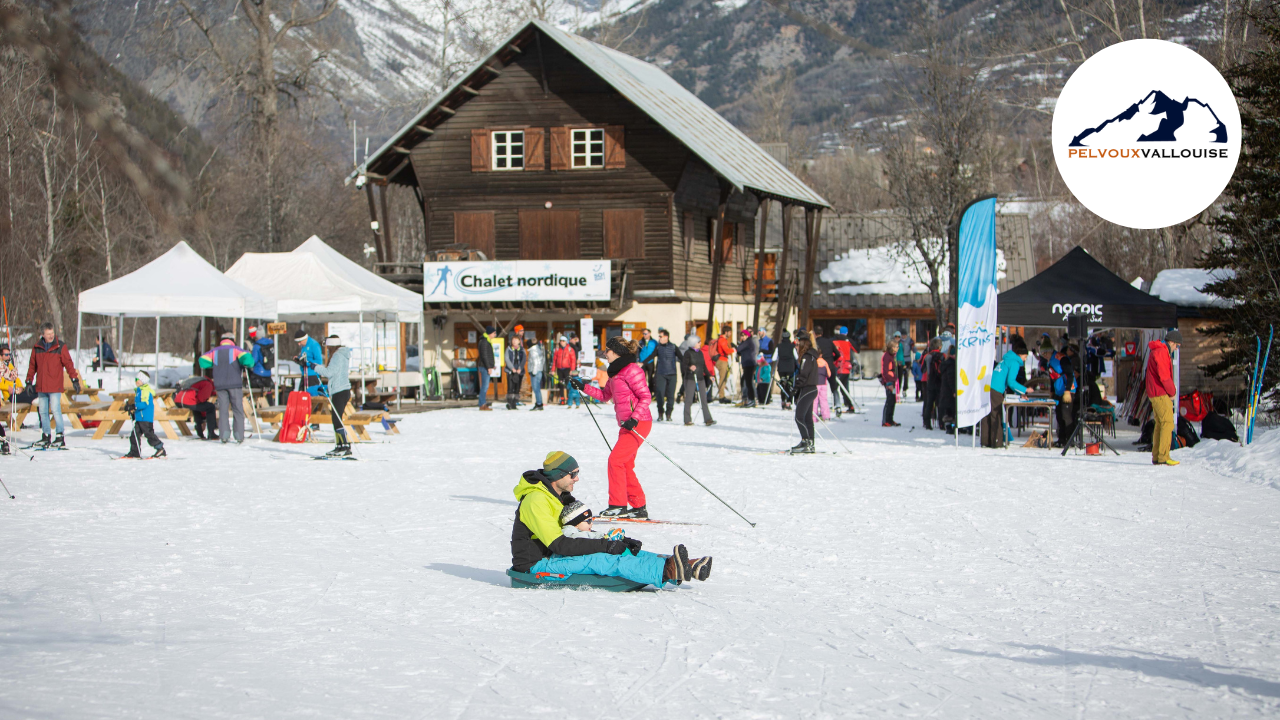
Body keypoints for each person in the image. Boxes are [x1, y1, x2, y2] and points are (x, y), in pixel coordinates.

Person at [510, 451, 711, 587]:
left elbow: (581, 530)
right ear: (558, 475)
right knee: (602, 559)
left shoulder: (558, 495)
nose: (577, 479)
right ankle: (668, 571)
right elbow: (560, 545)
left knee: (621, 550)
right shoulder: (536, 500)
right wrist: (605, 546)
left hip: (555, 555)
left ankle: (678, 565)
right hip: (538, 564)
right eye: (573, 474)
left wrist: (617, 542)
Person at [572, 336, 653, 518]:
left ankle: (617, 504)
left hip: (639, 423)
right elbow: (605, 395)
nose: (605, 355)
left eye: (607, 351)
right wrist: (583, 387)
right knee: (624, 463)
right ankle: (639, 507)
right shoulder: (615, 372)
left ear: (616, 352)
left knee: (615, 461)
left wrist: (634, 418)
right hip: (627, 424)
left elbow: (645, 397)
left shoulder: (632, 370)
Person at [25, 322, 80, 449]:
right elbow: (32, 366)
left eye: (52, 333)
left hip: (54, 385)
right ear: (42, 334)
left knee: (55, 410)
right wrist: (29, 381)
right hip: (41, 385)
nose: (51, 336)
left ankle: (60, 435)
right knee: (43, 411)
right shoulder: (37, 347)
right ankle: (46, 435)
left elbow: (68, 363)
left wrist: (74, 379)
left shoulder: (60, 346)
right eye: (48, 334)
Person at [199, 331, 255, 444]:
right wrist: (244, 363)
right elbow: (249, 360)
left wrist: (214, 364)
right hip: (235, 384)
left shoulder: (214, 351)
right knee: (237, 409)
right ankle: (239, 435)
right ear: (233, 340)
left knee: (223, 410)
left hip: (220, 385)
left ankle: (224, 435)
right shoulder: (236, 350)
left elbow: (202, 361)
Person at [982, 335, 1030, 448]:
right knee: (997, 415)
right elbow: (1011, 382)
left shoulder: (1006, 359)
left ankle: (986, 441)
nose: (1025, 359)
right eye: (1025, 356)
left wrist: (1020, 393)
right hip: (996, 389)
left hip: (988, 387)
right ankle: (997, 442)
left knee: (987, 414)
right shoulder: (1015, 362)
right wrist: (1025, 390)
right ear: (1020, 355)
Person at [1145, 330, 1180, 465]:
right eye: (1176, 345)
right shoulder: (1161, 352)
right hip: (1160, 392)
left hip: (1155, 392)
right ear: (1171, 342)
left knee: (1160, 423)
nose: (1176, 348)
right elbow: (1164, 376)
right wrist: (1172, 392)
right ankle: (1163, 456)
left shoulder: (1158, 350)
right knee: (1168, 423)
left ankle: (1157, 456)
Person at [122, 371, 166, 459]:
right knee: (134, 435)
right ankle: (135, 452)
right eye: (135, 379)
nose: (136, 381)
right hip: (140, 417)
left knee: (149, 434)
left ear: (143, 381)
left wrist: (134, 406)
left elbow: (144, 404)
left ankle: (160, 449)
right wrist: (133, 411)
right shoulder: (139, 391)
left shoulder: (145, 391)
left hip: (145, 418)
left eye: (137, 379)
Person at [790, 330, 820, 454]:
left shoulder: (807, 357)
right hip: (811, 389)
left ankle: (806, 441)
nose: (796, 347)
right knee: (807, 418)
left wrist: (795, 389)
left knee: (799, 417)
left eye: (797, 345)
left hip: (807, 389)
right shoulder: (811, 355)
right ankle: (810, 443)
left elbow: (803, 375)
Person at [679, 333, 715, 426]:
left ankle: (708, 419)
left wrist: (709, 375)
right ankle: (687, 420)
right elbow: (684, 366)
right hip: (690, 378)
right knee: (689, 399)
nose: (700, 343)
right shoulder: (688, 353)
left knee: (703, 399)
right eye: (698, 342)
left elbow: (703, 366)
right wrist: (690, 367)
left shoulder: (700, 352)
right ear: (693, 343)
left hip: (700, 378)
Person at [1048, 344, 1078, 447]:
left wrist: (1067, 390)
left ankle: (1070, 440)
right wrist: (1052, 391)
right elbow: (1053, 378)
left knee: (1066, 415)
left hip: (1068, 390)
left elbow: (1070, 374)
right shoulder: (1050, 361)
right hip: (1058, 390)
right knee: (1059, 416)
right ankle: (1062, 439)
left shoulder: (1062, 358)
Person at [173, 372, 218, 441]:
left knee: (196, 407)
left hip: (178, 401)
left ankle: (200, 432)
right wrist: (203, 419)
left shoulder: (198, 380)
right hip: (187, 401)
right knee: (211, 407)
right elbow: (201, 399)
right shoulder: (208, 384)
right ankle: (211, 433)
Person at [652, 329, 678, 422]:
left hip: (672, 374)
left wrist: (689, 365)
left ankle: (669, 413)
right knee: (660, 394)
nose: (659, 338)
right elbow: (651, 356)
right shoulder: (658, 347)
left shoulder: (673, 347)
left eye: (660, 336)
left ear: (666, 337)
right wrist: (642, 363)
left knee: (671, 395)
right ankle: (660, 413)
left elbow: (682, 358)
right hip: (661, 373)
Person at [0, 345, 20, 455]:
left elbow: (12, 376)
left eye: (8, 355)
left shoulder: (3, 366)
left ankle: (4, 443)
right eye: (6, 355)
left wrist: (12, 367)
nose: (7, 357)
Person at [292, 330, 325, 397]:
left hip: (312, 375)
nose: (299, 344)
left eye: (299, 342)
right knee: (301, 396)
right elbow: (305, 357)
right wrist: (298, 359)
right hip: (305, 374)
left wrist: (306, 363)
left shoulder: (314, 345)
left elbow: (319, 361)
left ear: (304, 339)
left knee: (311, 397)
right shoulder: (303, 346)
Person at [832, 326, 854, 413]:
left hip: (839, 367)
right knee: (844, 387)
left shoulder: (835, 342)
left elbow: (834, 354)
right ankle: (849, 405)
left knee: (835, 387)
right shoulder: (848, 342)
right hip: (846, 367)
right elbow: (851, 354)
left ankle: (837, 405)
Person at [246, 326, 275, 393]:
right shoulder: (271, 343)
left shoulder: (257, 346)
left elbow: (254, 361)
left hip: (258, 374)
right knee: (268, 393)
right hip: (268, 373)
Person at [921, 339, 941, 430]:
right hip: (939, 381)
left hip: (930, 381)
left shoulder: (927, 356)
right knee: (940, 403)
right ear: (939, 347)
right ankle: (941, 423)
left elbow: (923, 369)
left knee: (929, 403)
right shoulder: (942, 356)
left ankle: (927, 423)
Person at [477, 326, 497, 411]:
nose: (495, 334)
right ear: (490, 333)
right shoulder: (485, 342)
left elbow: (488, 355)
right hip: (484, 367)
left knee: (485, 386)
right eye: (494, 333)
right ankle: (482, 404)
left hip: (485, 366)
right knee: (485, 387)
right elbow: (484, 356)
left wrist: (492, 365)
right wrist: (488, 367)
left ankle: (483, 403)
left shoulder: (486, 341)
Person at [736, 328, 757, 408]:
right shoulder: (746, 342)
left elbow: (739, 349)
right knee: (745, 381)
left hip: (749, 364)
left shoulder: (748, 342)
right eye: (742, 336)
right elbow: (741, 351)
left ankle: (751, 399)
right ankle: (748, 398)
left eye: (744, 335)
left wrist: (737, 346)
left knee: (748, 382)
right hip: (746, 364)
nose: (743, 337)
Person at [553, 335, 576, 406]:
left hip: (567, 368)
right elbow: (554, 360)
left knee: (568, 384)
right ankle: (562, 399)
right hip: (559, 369)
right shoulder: (557, 349)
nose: (561, 342)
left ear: (566, 342)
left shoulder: (570, 349)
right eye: (560, 341)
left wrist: (572, 370)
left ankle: (569, 399)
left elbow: (573, 360)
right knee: (561, 384)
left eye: (563, 341)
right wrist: (553, 369)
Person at [504, 335, 526, 410]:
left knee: (517, 388)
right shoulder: (508, 349)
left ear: (519, 341)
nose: (514, 341)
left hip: (519, 371)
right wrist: (512, 368)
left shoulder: (522, 350)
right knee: (510, 388)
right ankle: (509, 403)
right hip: (511, 371)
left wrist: (520, 368)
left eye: (516, 340)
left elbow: (524, 359)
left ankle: (514, 403)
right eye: (513, 340)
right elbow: (506, 359)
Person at [881, 338, 899, 427]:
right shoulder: (887, 357)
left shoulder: (892, 356)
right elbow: (885, 371)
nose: (898, 348)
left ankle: (890, 419)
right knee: (889, 400)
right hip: (888, 381)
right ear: (892, 347)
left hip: (892, 380)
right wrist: (888, 383)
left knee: (893, 400)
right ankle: (885, 420)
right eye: (896, 347)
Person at [776, 331, 796, 411]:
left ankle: (783, 401)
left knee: (782, 385)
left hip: (781, 368)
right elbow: (796, 357)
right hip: (790, 368)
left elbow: (774, 357)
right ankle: (789, 402)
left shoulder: (779, 346)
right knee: (790, 385)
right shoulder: (792, 346)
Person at [712, 329, 733, 401]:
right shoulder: (722, 340)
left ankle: (722, 395)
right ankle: (721, 396)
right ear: (726, 332)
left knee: (724, 378)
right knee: (722, 378)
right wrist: (733, 349)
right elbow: (726, 350)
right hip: (722, 360)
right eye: (729, 332)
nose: (730, 334)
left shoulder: (721, 339)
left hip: (723, 359)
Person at [527, 338, 546, 411]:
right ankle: (539, 403)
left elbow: (535, 362)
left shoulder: (533, 351)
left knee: (536, 389)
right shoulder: (538, 349)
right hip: (539, 371)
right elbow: (542, 360)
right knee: (537, 388)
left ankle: (539, 403)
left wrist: (533, 372)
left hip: (535, 372)